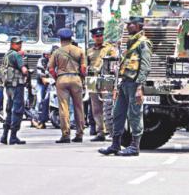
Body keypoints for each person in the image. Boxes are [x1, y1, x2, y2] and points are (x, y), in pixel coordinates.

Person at [99, 17, 152, 156]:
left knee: (134, 114)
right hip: (125, 83)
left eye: (131, 24)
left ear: (139, 26)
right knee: (117, 113)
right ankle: (116, 144)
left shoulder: (143, 44)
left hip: (135, 83)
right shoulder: (129, 43)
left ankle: (135, 146)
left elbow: (145, 66)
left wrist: (140, 87)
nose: (128, 26)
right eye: (128, 24)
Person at [48, 28, 87, 143]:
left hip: (62, 79)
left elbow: (50, 69)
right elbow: (84, 69)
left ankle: (66, 135)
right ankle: (79, 134)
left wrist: (57, 78)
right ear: (71, 38)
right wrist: (82, 79)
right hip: (76, 79)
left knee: (64, 108)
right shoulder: (79, 51)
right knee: (79, 107)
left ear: (60, 39)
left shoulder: (57, 52)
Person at [86, 27, 118, 142]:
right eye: (96, 36)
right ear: (93, 38)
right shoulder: (89, 51)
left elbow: (115, 61)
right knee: (96, 108)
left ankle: (111, 131)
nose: (99, 38)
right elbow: (85, 65)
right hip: (92, 79)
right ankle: (100, 132)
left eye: (100, 36)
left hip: (106, 79)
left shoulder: (109, 48)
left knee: (108, 105)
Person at [0, 37, 28, 145]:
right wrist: (27, 72)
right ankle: (13, 136)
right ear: (12, 44)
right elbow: (23, 70)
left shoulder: (6, 55)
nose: (20, 45)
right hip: (17, 86)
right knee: (18, 110)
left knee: (9, 110)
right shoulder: (16, 55)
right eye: (17, 44)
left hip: (8, 87)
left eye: (20, 43)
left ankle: (4, 135)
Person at [34, 46, 57, 129]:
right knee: (43, 101)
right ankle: (40, 120)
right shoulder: (43, 61)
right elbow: (43, 72)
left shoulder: (60, 61)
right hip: (47, 84)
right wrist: (45, 78)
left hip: (58, 83)